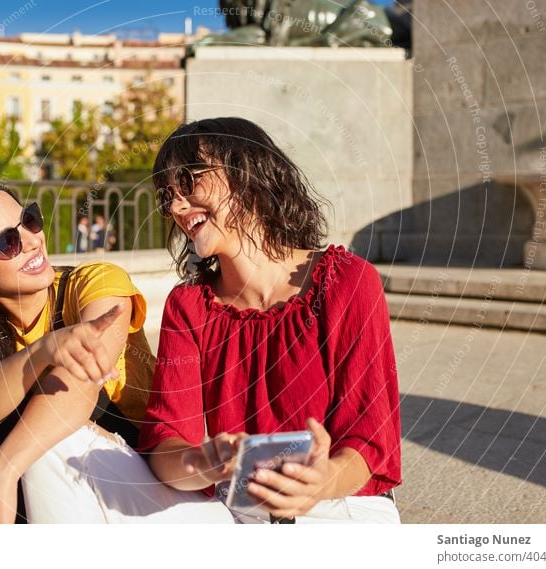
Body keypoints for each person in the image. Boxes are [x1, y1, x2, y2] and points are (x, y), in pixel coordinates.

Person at [0, 171, 233, 524]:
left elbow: (80, 383)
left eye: (29, 220)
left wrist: (0, 473)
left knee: (47, 437)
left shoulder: (96, 282)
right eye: (6, 242)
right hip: (61, 483)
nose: (32, 240)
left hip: (145, 484)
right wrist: (42, 350)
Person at [139, 117, 402, 524]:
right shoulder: (188, 306)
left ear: (248, 173)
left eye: (189, 180)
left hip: (340, 504)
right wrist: (206, 460)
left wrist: (319, 481)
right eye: (167, 196)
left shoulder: (347, 283)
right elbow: (164, 440)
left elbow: (368, 441)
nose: (175, 206)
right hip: (237, 509)